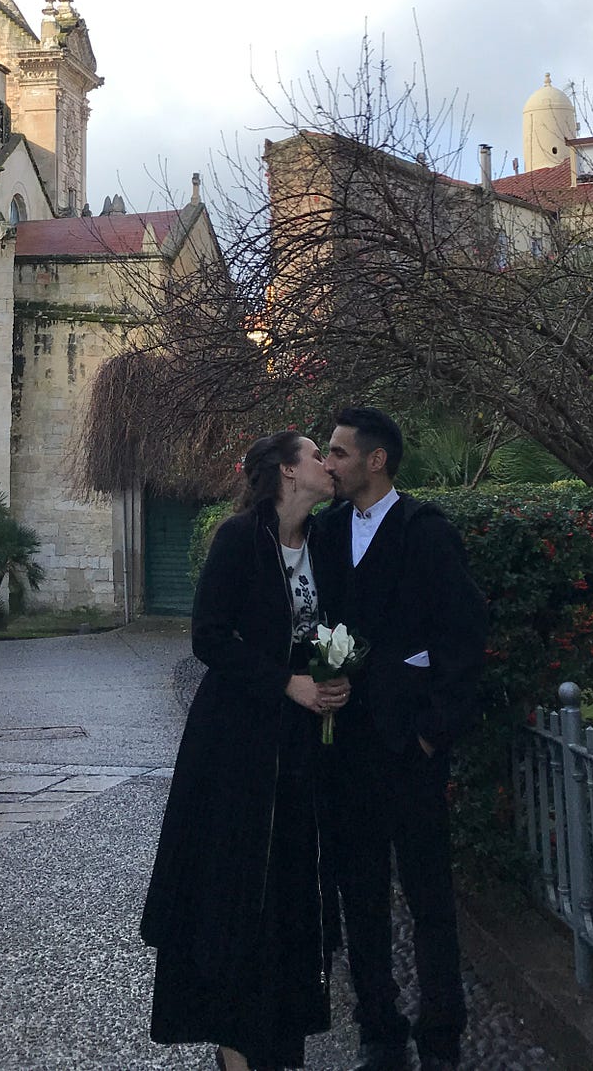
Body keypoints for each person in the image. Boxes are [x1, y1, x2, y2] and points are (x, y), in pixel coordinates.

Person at [142, 431, 348, 1071]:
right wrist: (284, 680)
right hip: (234, 746)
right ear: (289, 472)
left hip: (299, 746)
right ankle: (235, 1049)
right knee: (235, 893)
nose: (326, 465)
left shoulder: (325, 543)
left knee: (290, 890)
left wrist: (335, 674)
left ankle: (280, 1042)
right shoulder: (239, 539)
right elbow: (208, 637)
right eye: (317, 455)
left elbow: (331, 630)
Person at [311, 406, 487, 1071]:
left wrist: (431, 734)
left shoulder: (426, 532)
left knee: (429, 896)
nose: (328, 462)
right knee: (360, 898)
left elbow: (464, 637)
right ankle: (378, 1030)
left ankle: (442, 1033)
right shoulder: (325, 534)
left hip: (409, 750)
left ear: (375, 459)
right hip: (345, 750)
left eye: (338, 452)